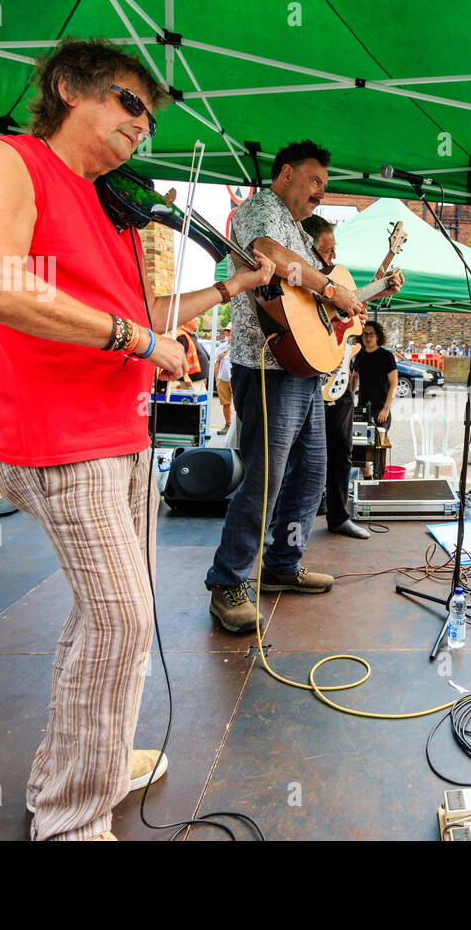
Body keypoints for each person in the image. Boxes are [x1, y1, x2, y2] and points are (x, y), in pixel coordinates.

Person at [0, 38, 274, 840]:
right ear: (68, 87)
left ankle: (87, 760)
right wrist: (135, 342)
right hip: (61, 441)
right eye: (130, 102)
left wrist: (230, 287)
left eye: (150, 116)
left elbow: (147, 311)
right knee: (123, 621)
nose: (143, 125)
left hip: (121, 437)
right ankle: (69, 818)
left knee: (107, 620)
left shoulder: (108, 205)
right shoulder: (7, 159)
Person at [206, 139, 395, 635]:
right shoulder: (259, 210)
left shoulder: (298, 228)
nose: (319, 195)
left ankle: (282, 564)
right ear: (285, 173)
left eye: (323, 187)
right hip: (268, 366)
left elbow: (313, 298)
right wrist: (332, 289)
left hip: (303, 368)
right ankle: (228, 581)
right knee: (266, 480)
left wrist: (346, 294)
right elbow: (269, 255)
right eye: (314, 182)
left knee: (313, 473)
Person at [301, 214, 369, 540]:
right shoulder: (297, 282)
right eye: (327, 251)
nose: (333, 257)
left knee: (342, 451)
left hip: (339, 373)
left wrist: (360, 308)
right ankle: (282, 528)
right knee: (301, 457)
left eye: (333, 250)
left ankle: (339, 516)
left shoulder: (340, 278)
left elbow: (350, 318)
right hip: (309, 374)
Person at [351, 319, 398, 434]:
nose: (368, 338)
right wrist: (350, 399)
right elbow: (355, 377)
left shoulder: (387, 356)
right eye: (365, 334)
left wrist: (386, 409)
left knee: (378, 447)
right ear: (360, 337)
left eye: (371, 334)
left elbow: (394, 384)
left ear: (377, 336)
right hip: (362, 408)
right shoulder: (360, 355)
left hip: (381, 410)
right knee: (360, 446)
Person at [213, 326, 233, 434]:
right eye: (226, 330)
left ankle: (237, 428)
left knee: (239, 404)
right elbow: (217, 362)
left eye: (229, 330)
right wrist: (217, 378)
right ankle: (228, 425)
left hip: (235, 379)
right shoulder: (221, 346)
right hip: (223, 379)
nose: (227, 332)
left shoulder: (239, 346)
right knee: (226, 403)